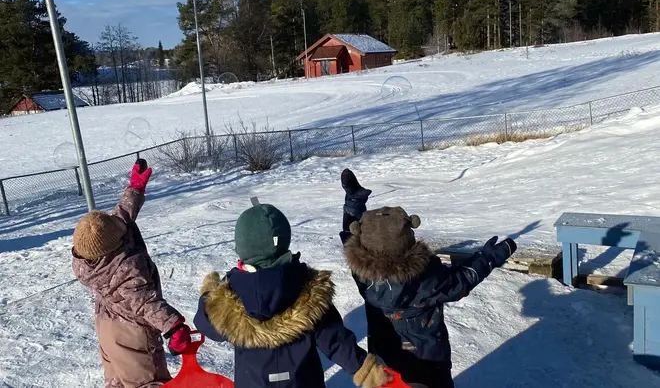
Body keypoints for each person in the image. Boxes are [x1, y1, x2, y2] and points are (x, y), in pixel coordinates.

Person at [339, 169, 517, 388]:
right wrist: (490, 257)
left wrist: (353, 204)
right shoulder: (428, 279)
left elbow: (351, 238)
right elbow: (463, 279)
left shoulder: (363, 275)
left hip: (384, 362)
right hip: (430, 363)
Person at [194, 201, 392, 388]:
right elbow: (335, 340)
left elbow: (206, 323)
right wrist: (365, 370)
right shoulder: (309, 290)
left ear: (241, 248)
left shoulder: (229, 296)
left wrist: (210, 293)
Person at [72, 159, 192, 388]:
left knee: (117, 381)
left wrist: (135, 189)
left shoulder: (88, 259)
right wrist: (174, 327)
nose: (121, 224)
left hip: (107, 327)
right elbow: (146, 303)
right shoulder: (125, 271)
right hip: (131, 334)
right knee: (148, 381)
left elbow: (121, 216)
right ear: (114, 245)